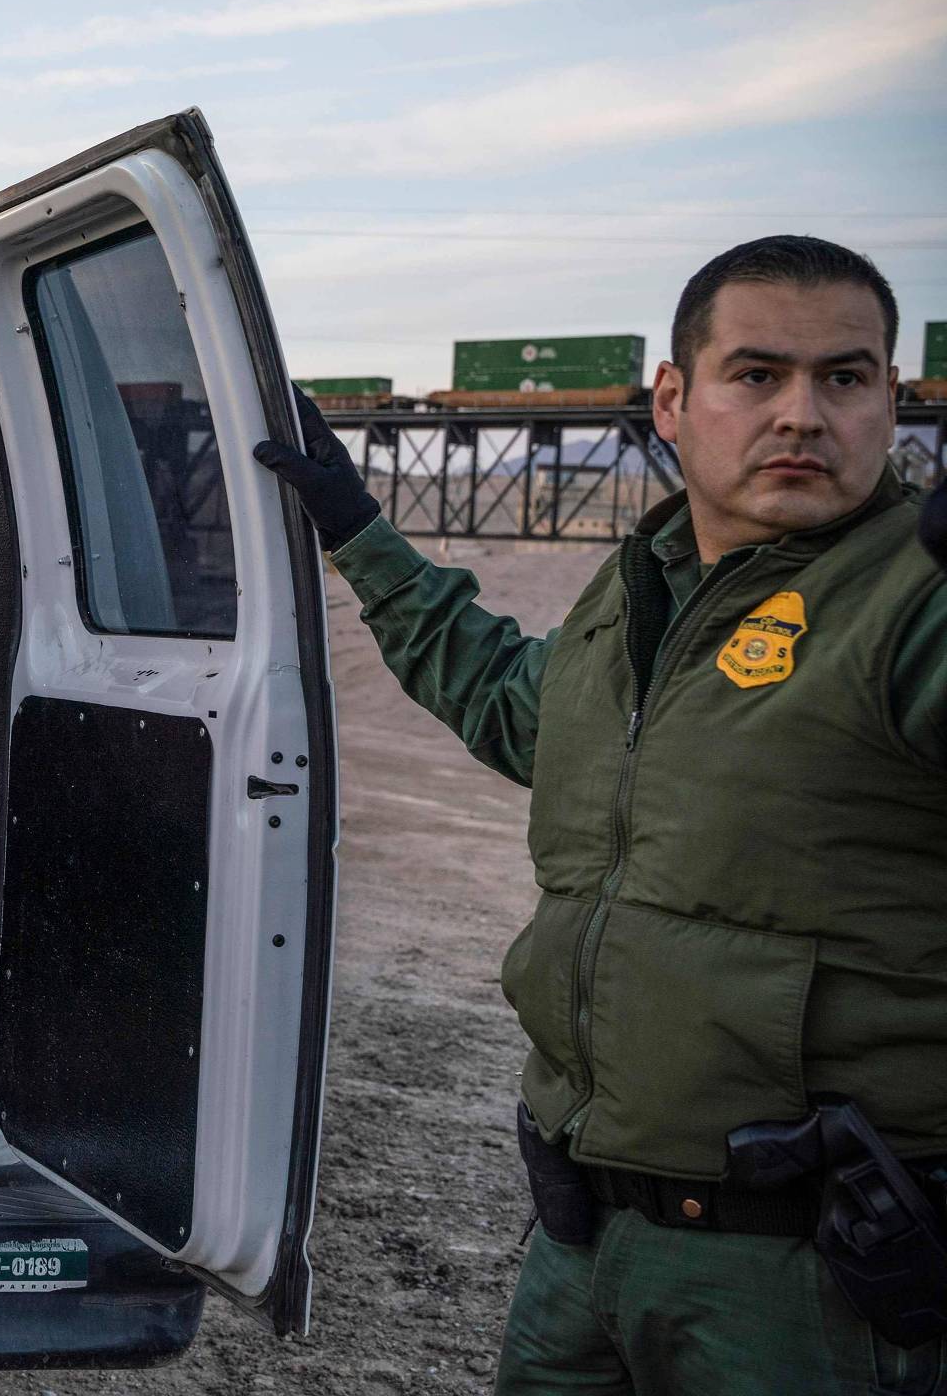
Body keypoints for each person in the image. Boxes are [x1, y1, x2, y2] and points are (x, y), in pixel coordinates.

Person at [255, 235, 947, 1395]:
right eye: (758, 374)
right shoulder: (634, 596)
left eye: (846, 377)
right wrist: (352, 526)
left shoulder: (912, 602)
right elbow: (500, 693)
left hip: (804, 1290)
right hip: (580, 1247)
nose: (802, 415)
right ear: (673, 399)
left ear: (892, 399)